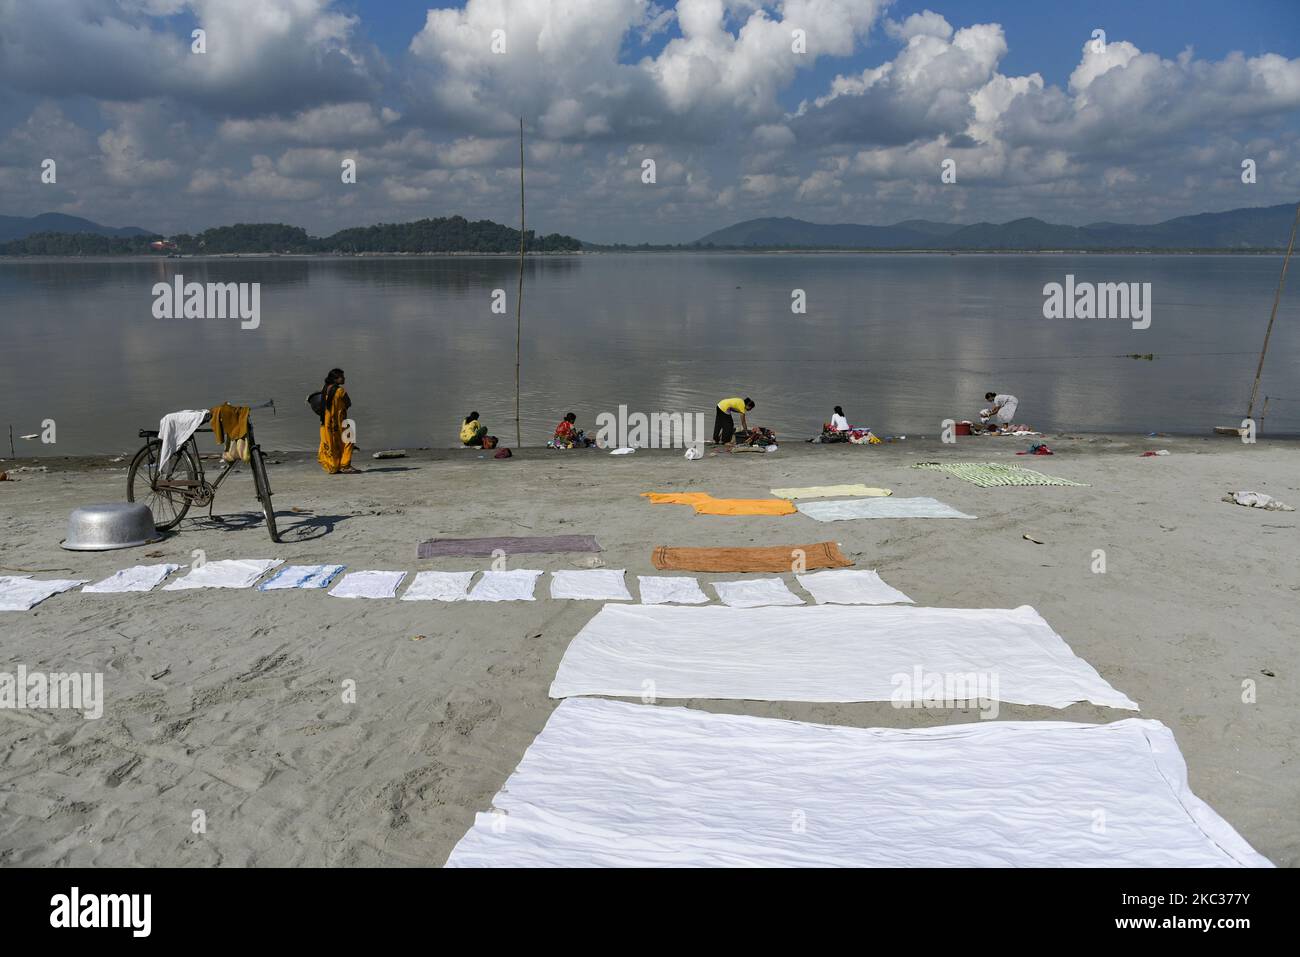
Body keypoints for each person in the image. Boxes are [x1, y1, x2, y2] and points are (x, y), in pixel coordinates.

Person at [317, 368, 360, 474]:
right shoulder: (340, 391)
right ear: (336, 379)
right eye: (342, 377)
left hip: (326, 423)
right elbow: (348, 403)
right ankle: (345, 465)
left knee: (331, 444)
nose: (344, 378)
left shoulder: (324, 388)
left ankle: (333, 467)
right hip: (339, 422)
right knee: (349, 440)